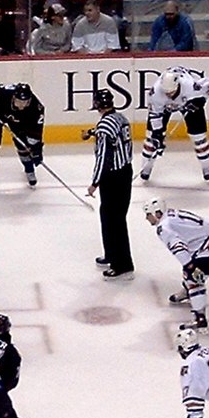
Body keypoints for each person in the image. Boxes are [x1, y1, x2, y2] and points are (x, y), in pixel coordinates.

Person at [143, 198, 209, 332]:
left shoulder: (164, 228)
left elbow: (179, 248)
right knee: (192, 270)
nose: (147, 218)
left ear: (157, 213)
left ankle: (199, 318)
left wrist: (191, 267)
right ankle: (188, 291)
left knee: (192, 278)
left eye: (148, 214)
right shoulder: (170, 214)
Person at [85, 88, 134, 280]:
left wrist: (95, 182)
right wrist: (91, 133)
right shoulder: (121, 118)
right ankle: (112, 254)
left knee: (113, 220)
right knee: (112, 217)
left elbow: (104, 157)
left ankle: (122, 264)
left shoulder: (105, 127)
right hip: (125, 172)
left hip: (112, 177)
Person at [140, 66, 209, 182]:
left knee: (199, 138)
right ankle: (145, 168)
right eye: (166, 93)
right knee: (152, 138)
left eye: (171, 92)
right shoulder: (155, 93)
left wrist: (200, 100)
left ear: (178, 86)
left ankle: (206, 166)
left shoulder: (191, 87)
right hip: (165, 107)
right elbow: (155, 115)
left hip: (189, 103)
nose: (169, 95)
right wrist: (157, 134)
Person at [0, 82, 45, 189]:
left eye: (25, 103)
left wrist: (36, 150)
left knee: (23, 145)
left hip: (18, 120)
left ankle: (29, 170)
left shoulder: (36, 109)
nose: (21, 106)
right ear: (14, 97)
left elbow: (36, 132)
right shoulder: (3, 93)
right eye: (19, 102)